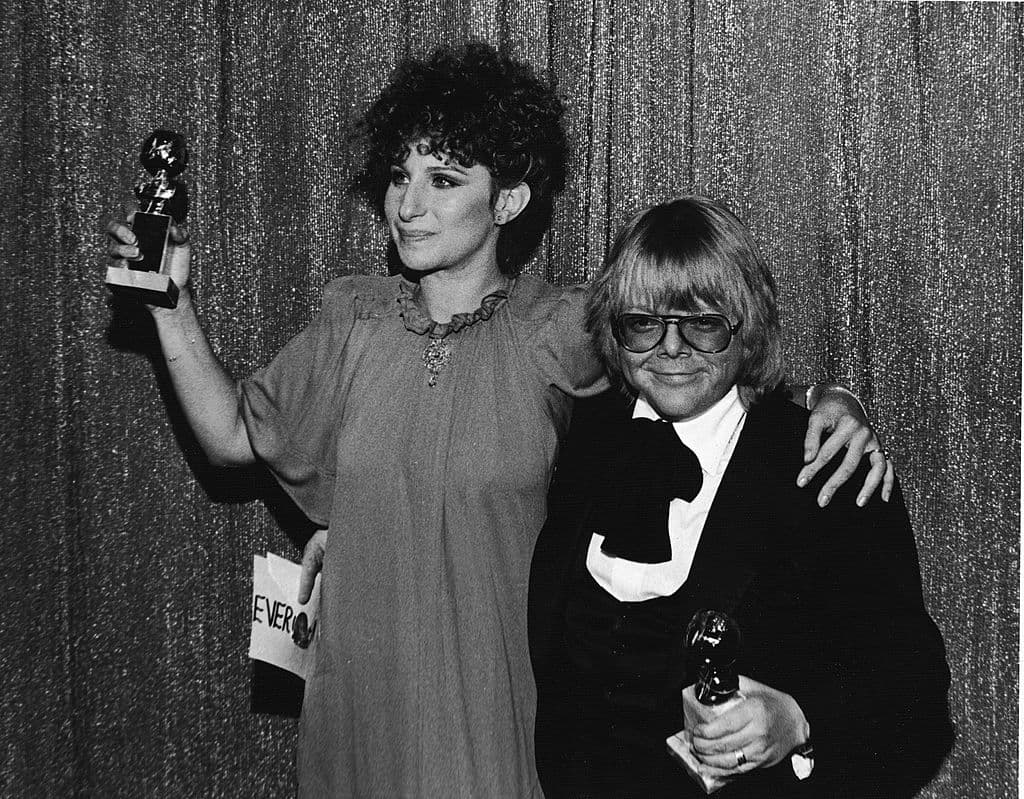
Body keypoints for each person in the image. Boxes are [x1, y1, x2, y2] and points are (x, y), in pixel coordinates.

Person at [106, 44, 891, 798]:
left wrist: (830, 400)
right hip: (363, 712)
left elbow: (693, 366)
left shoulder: (560, 329)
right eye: (399, 175)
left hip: (495, 717)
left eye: (443, 180)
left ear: (508, 200)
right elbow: (231, 437)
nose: (408, 205)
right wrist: (171, 305)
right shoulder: (353, 321)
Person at [529, 196, 952, 798]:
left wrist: (800, 721)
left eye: (702, 323)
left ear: (746, 328)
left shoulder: (826, 464)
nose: (671, 349)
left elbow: (916, 690)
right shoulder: (581, 438)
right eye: (644, 322)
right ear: (613, 332)